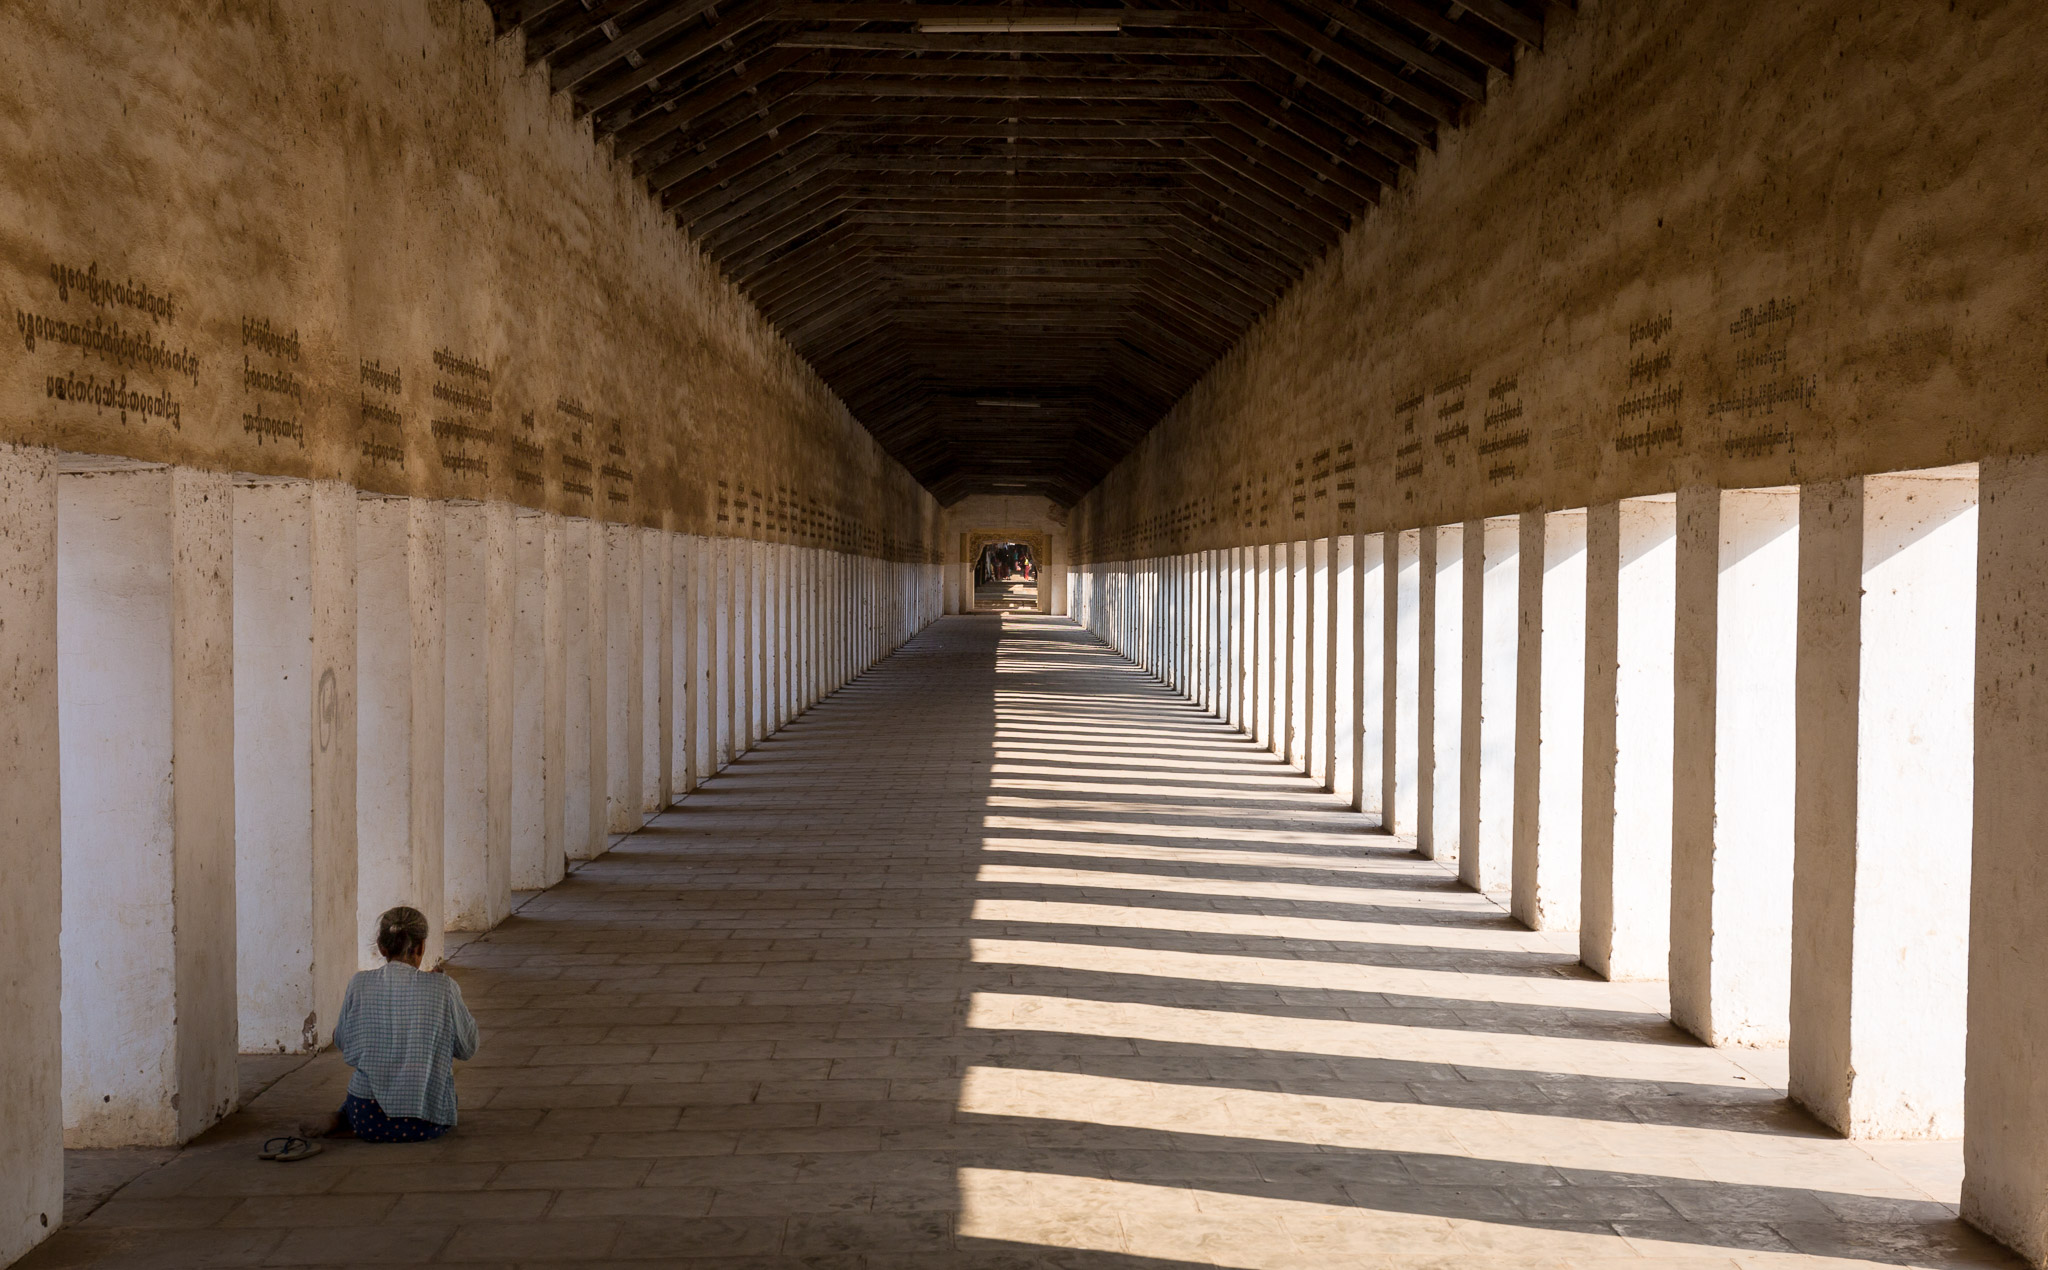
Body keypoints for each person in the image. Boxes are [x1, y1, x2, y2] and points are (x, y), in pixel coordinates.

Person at [276, 906, 479, 1156]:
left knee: (372, 1076)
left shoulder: (359, 983)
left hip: (366, 1117)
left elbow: (343, 1043)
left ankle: (343, 1120)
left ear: (382, 948)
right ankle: (345, 1122)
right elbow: (468, 1048)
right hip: (428, 1121)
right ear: (421, 947)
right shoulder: (444, 988)